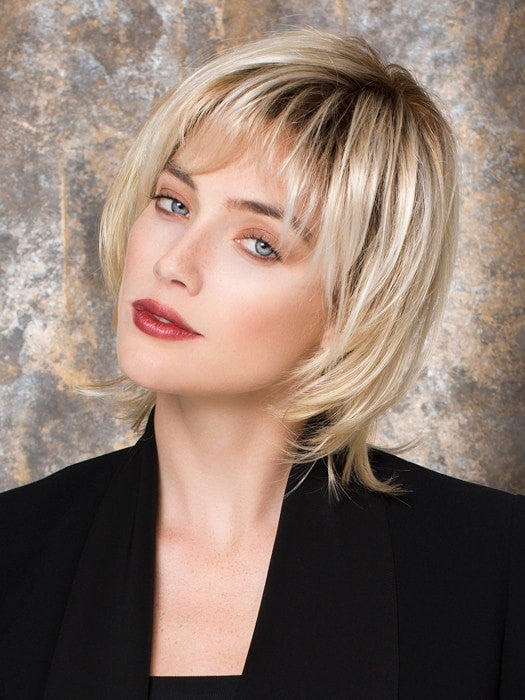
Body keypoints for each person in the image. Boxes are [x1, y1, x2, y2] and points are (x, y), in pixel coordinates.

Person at [0, 29, 523, 700]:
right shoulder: (15, 550)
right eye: (173, 203)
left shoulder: (494, 571)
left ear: (353, 308)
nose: (173, 263)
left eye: (258, 243)